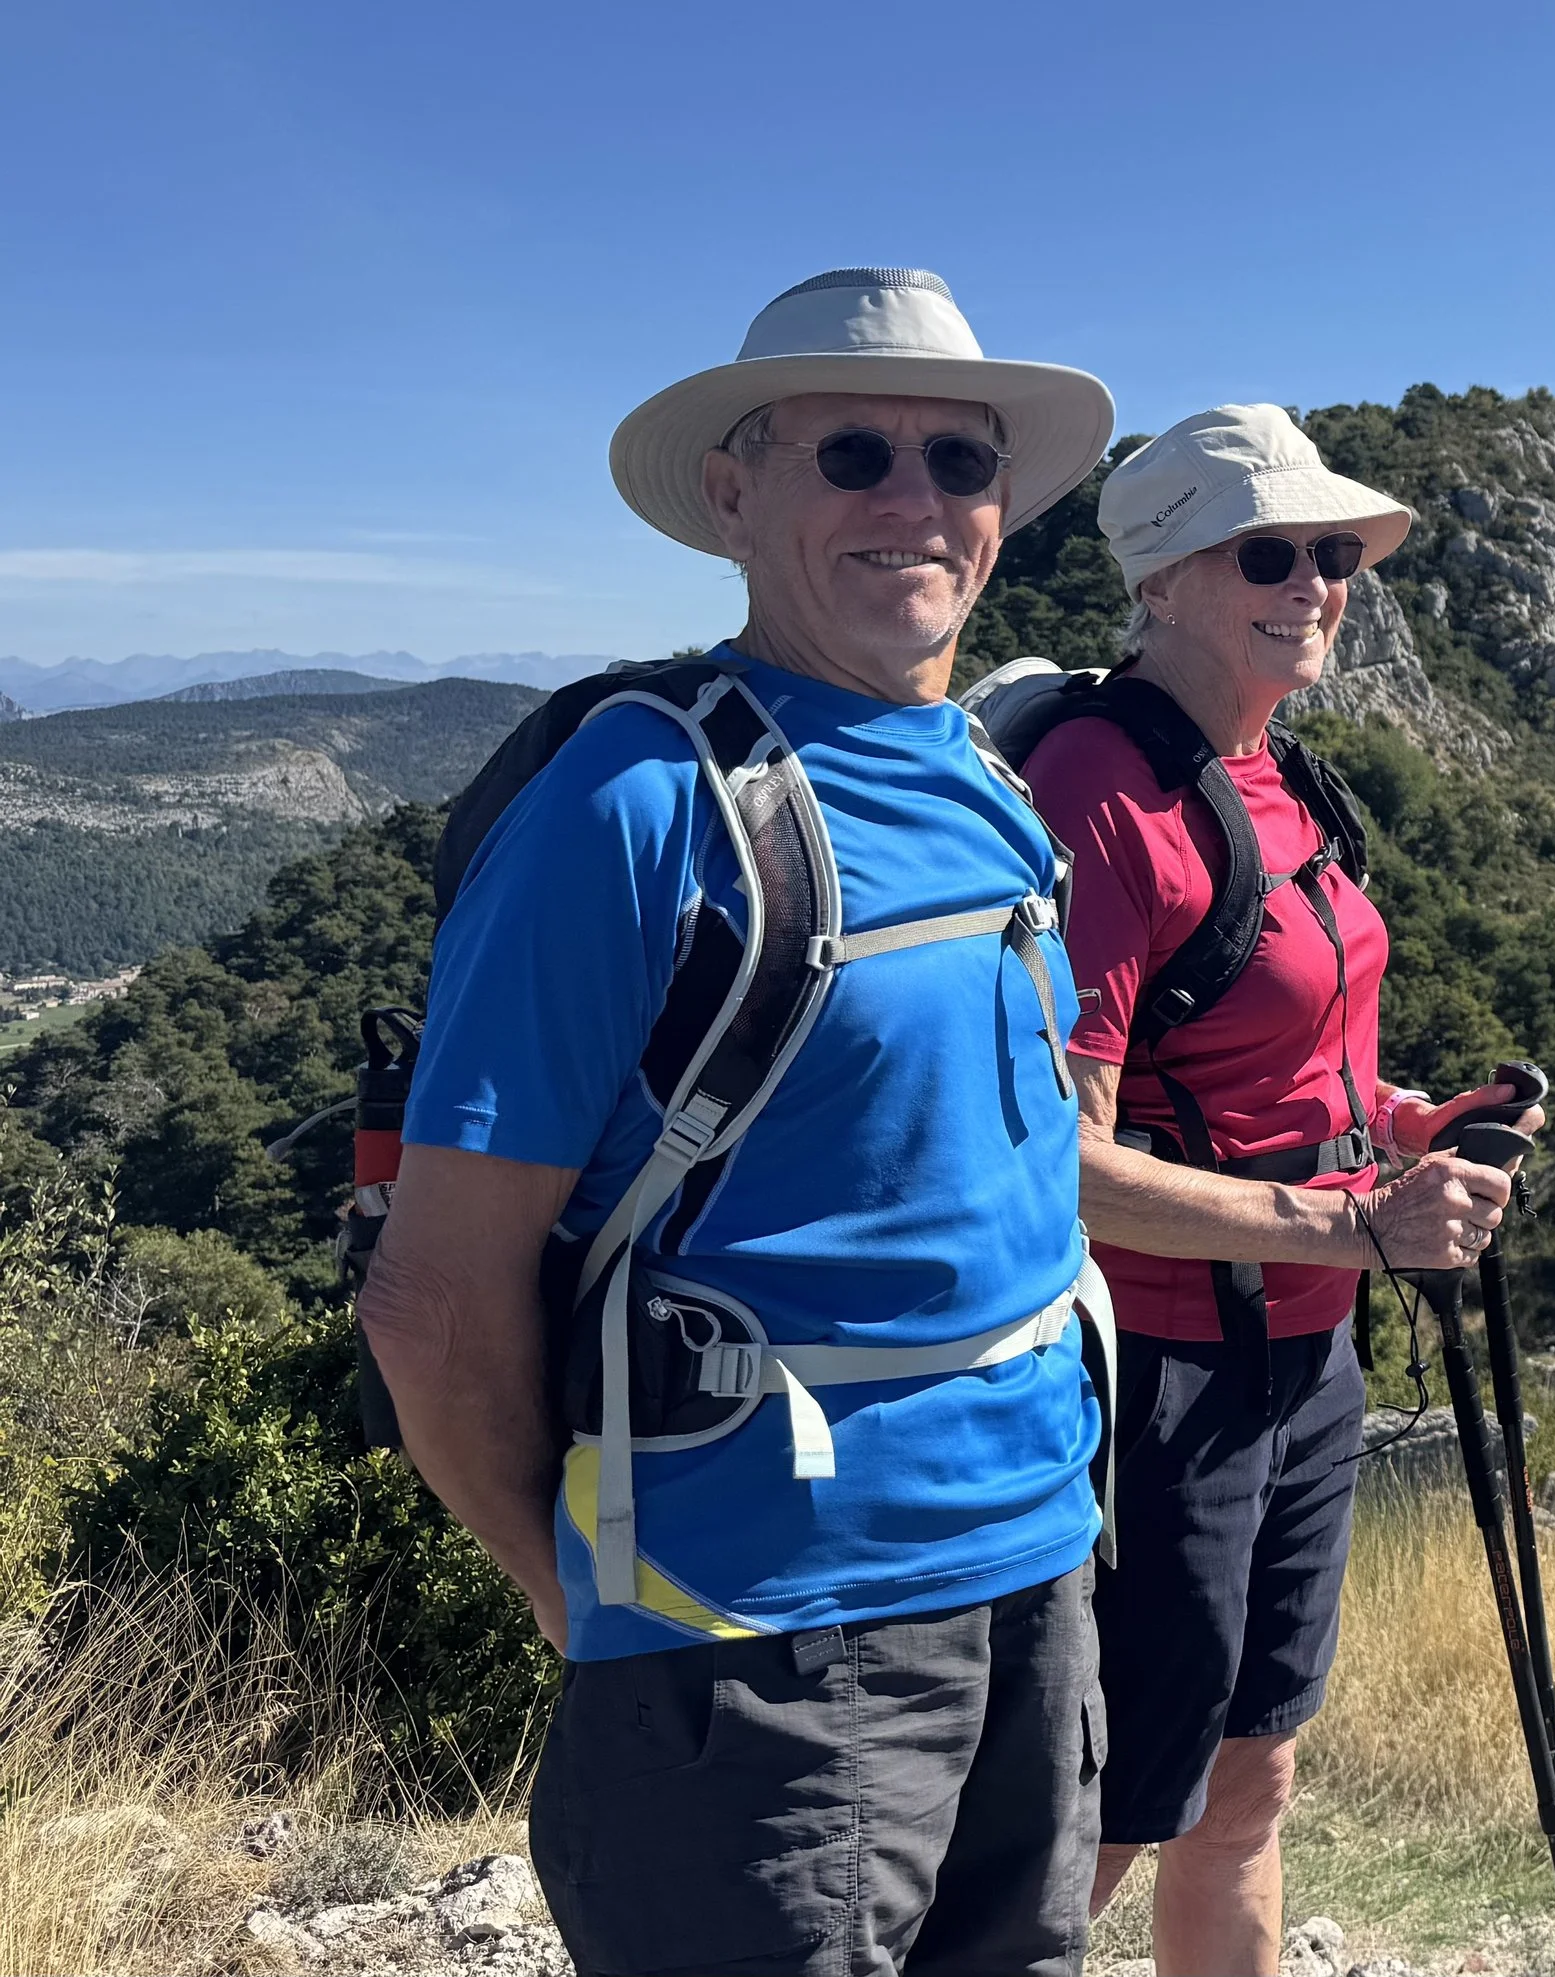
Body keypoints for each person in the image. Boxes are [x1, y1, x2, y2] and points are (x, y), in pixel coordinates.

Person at [362, 268, 1120, 1977]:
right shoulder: (632, 810)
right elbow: (429, 1297)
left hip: (1041, 1576)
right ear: (733, 492)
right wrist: (590, 1606)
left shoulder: (993, 781)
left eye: (961, 462)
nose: (915, 502)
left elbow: (1011, 1162)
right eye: (854, 452)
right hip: (758, 1638)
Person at [1019, 406, 1534, 1977]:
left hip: (1306, 1360)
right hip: (1167, 1376)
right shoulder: (1099, 795)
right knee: (1113, 1807)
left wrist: (1412, 1125)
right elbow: (1061, 1163)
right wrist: (1358, 1227)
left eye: (1332, 555)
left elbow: (1297, 1080)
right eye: (1269, 553)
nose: (1315, 583)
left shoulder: (1280, 782)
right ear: (1161, 575)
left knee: (1254, 1777)